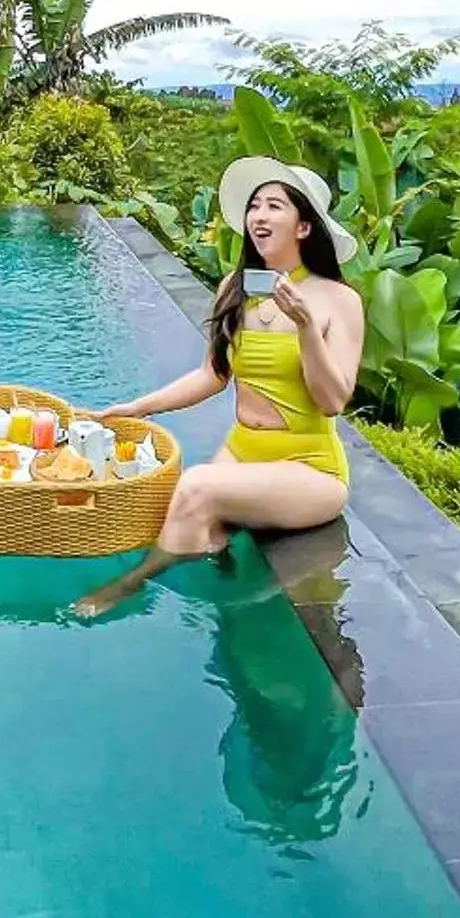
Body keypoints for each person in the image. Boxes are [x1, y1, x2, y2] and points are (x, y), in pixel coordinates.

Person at [75, 158, 363, 619]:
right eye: (254, 207)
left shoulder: (338, 300)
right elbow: (214, 373)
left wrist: (306, 328)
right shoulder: (235, 287)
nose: (259, 216)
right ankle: (219, 595)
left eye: (274, 206)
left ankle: (132, 586)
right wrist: (139, 407)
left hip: (310, 467)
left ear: (304, 226)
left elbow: (332, 402)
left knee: (197, 487)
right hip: (244, 449)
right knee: (181, 508)